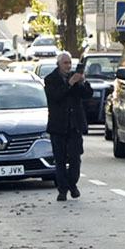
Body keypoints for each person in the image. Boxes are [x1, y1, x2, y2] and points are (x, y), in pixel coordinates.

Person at [45, 51, 92, 201]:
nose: (68, 66)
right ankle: (62, 189)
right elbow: (55, 97)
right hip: (58, 126)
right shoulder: (50, 79)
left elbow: (87, 95)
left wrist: (83, 82)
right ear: (58, 64)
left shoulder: (75, 78)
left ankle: (73, 184)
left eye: (70, 63)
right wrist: (69, 83)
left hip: (74, 126)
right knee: (59, 160)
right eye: (65, 63)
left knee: (75, 158)